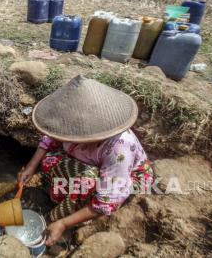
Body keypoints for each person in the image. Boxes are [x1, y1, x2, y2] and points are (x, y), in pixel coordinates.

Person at [17, 75, 154, 246]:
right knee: (52, 160)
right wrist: (31, 166)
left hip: (120, 178)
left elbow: (106, 200)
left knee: (85, 182)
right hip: (89, 162)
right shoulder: (71, 124)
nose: (67, 134)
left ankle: (69, 214)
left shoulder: (120, 149)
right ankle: (61, 194)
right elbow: (50, 139)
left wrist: (63, 223)